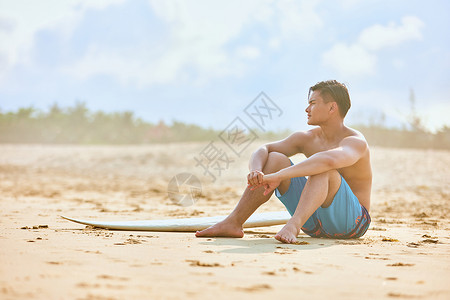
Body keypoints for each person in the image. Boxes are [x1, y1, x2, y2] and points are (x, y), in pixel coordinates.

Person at [196, 80, 372, 244]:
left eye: (312, 103)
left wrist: (276, 177)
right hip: (314, 224)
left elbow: (327, 160)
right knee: (275, 158)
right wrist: (256, 171)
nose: (306, 109)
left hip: (351, 223)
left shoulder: (355, 142)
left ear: (332, 107)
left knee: (324, 169)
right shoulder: (306, 138)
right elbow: (264, 149)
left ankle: (293, 225)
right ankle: (233, 222)